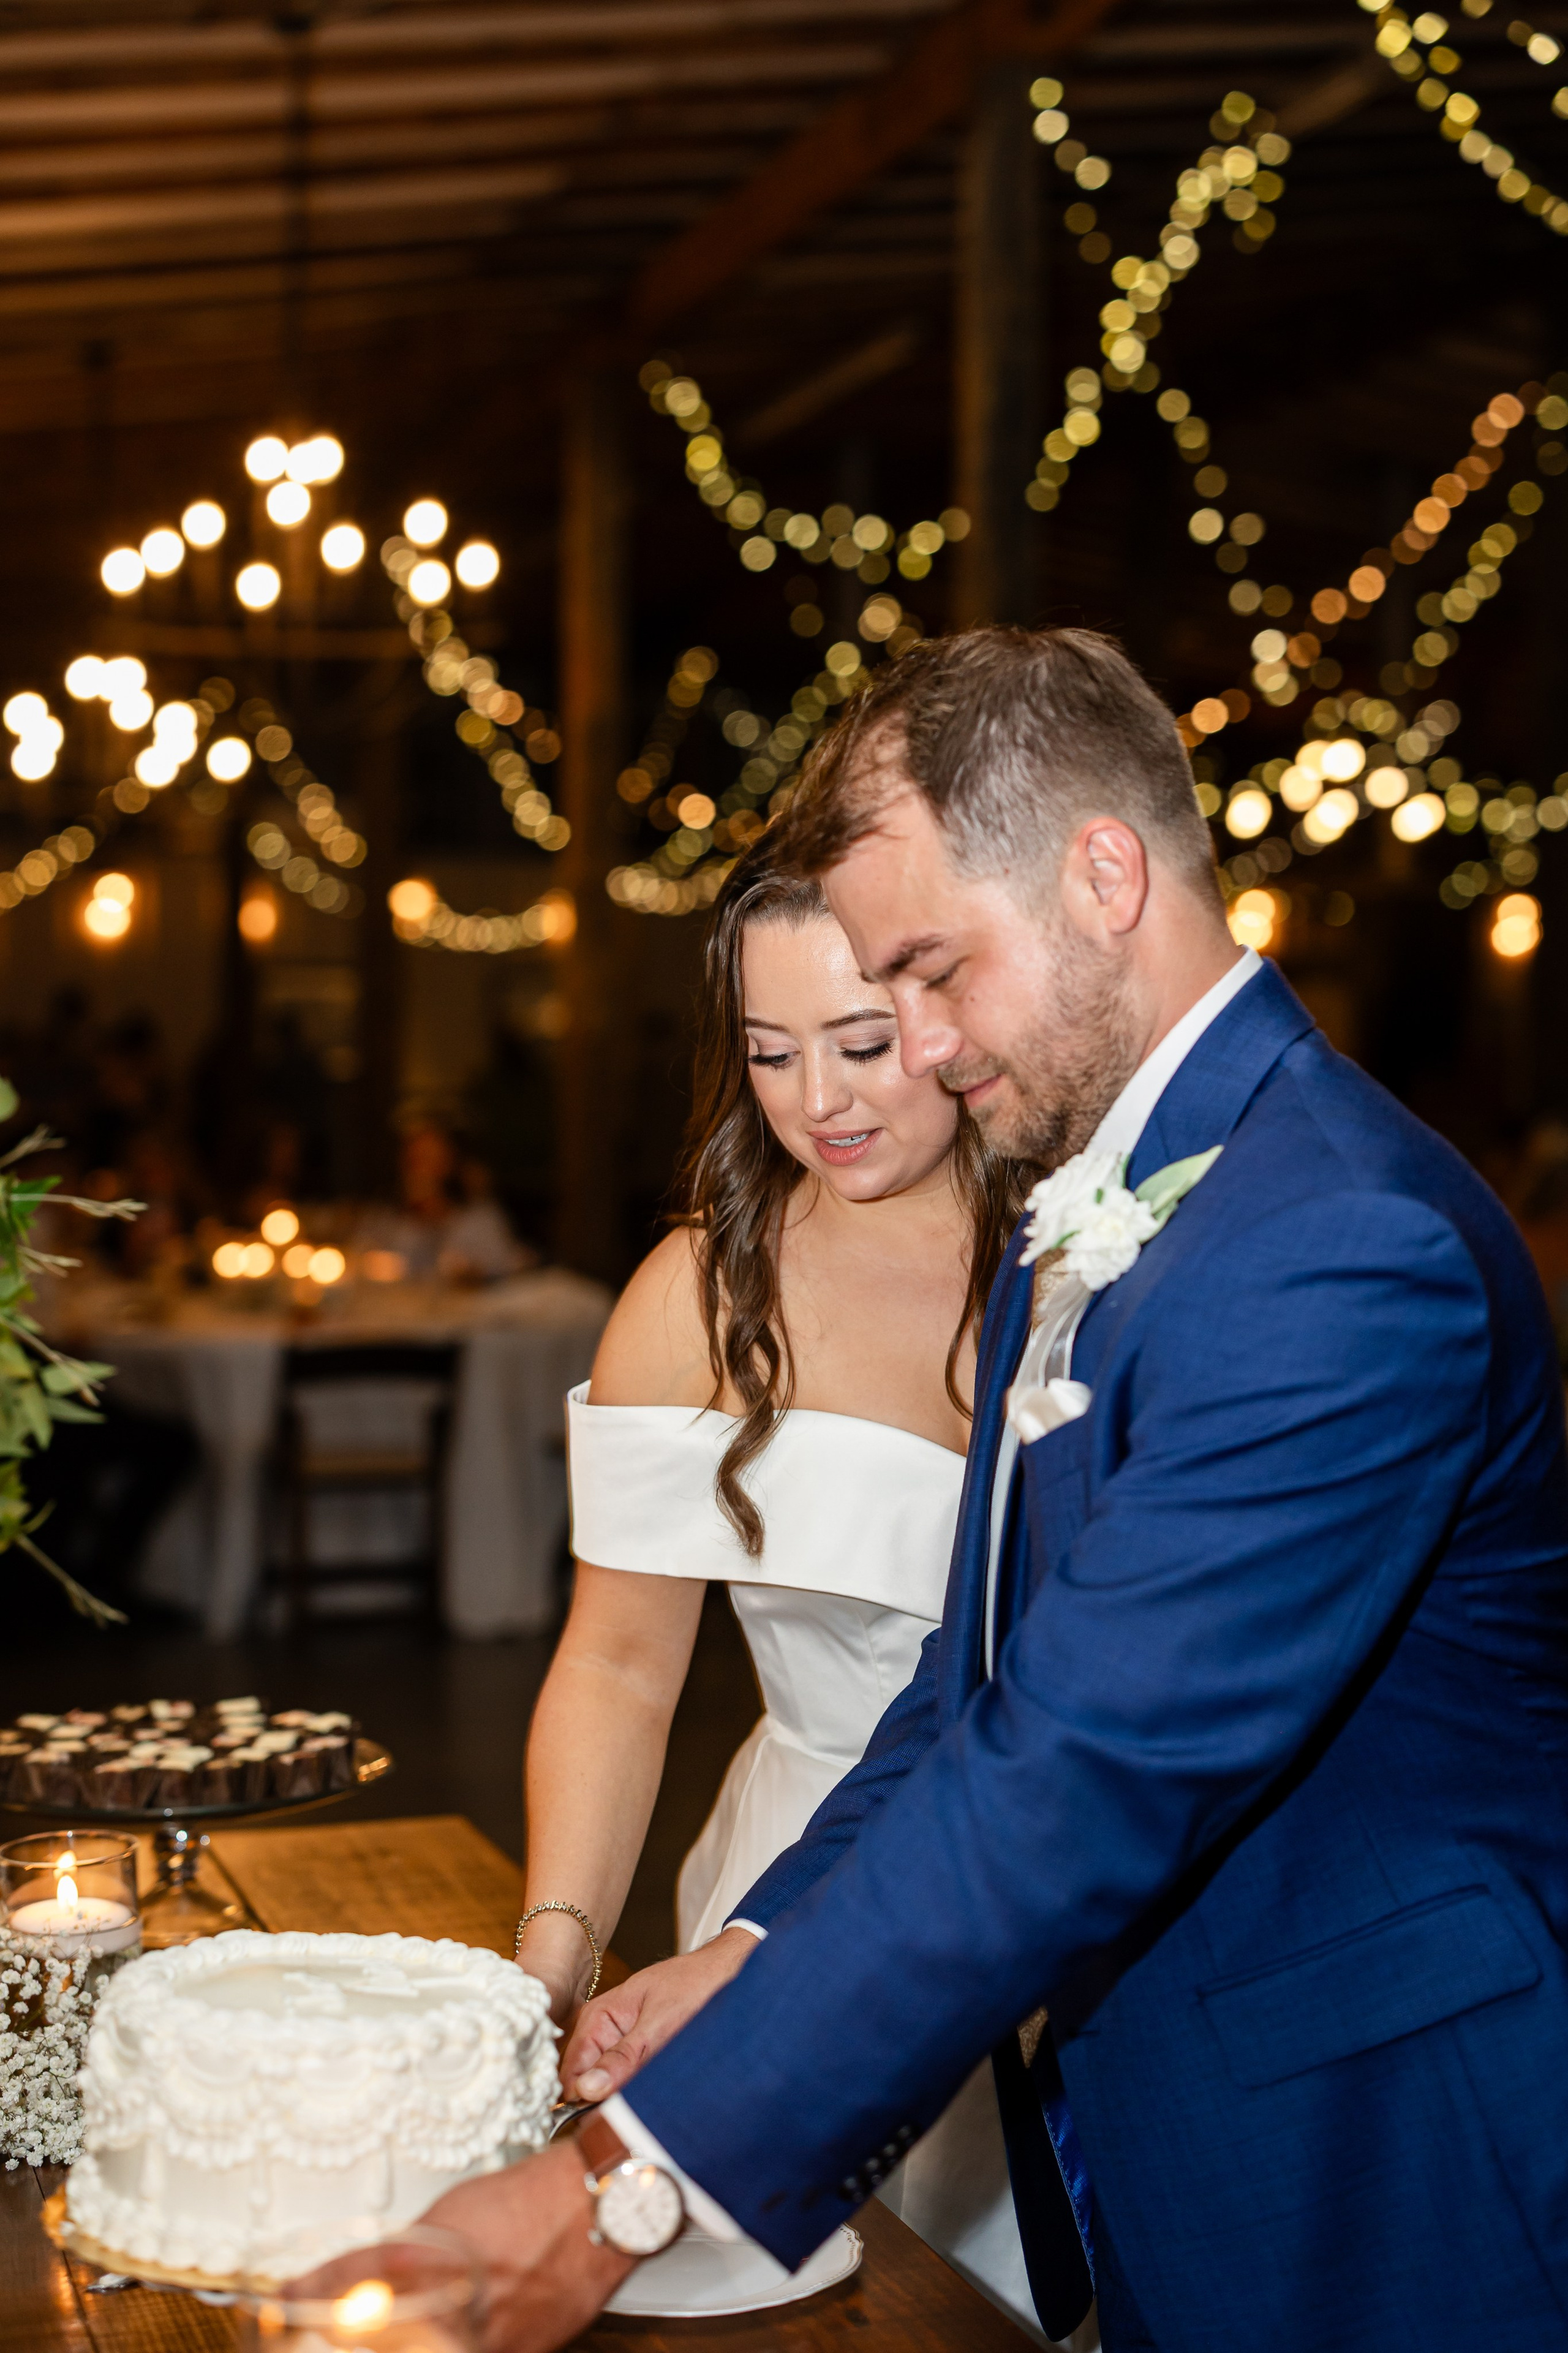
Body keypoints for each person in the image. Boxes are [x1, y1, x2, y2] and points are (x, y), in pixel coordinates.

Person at [420, 627, 1568, 2353]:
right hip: (1150, 2085)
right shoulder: (1088, 1207)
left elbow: (1088, 1763)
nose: (928, 1049)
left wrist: (626, 2187)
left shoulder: (1345, 1242)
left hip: (1374, 2134)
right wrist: (752, 1947)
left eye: (934, 972)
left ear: (1104, 876)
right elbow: (976, 1693)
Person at [516, 829, 1032, 2319]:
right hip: (785, 1896)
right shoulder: (698, 1295)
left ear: (950, 1005)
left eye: (861, 1043)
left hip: (1086, 1887)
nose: (818, 1104)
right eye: (769, 1052)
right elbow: (618, 1666)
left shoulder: (1091, 1252)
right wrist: (552, 1954)